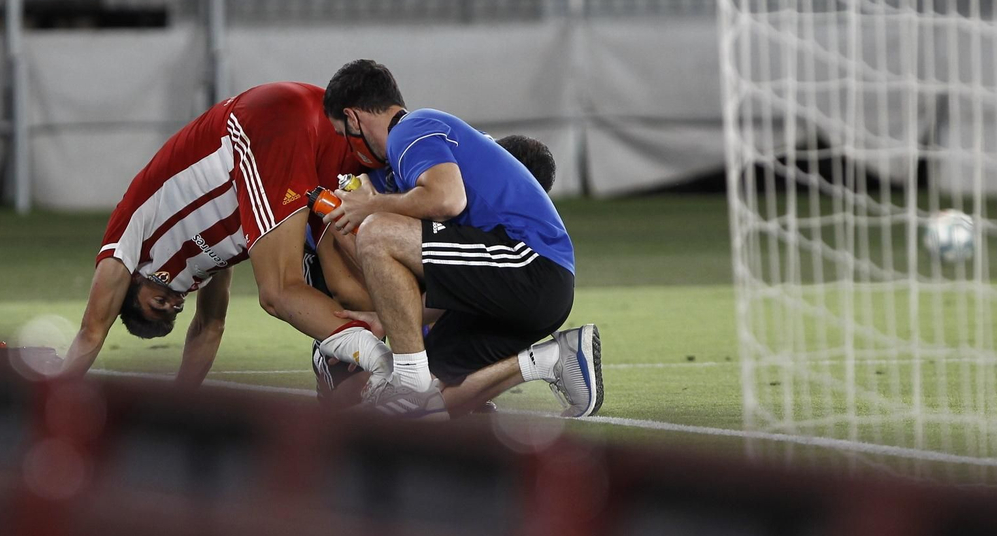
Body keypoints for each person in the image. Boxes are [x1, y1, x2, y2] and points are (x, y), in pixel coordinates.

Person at [61, 81, 395, 390]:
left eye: (159, 302)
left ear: (131, 283)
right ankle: (428, 356)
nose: (175, 301)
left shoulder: (128, 237)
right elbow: (210, 326)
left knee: (278, 290)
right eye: (174, 309)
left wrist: (48, 400)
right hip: (316, 125)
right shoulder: (202, 268)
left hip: (260, 124)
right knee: (350, 290)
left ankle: (389, 368)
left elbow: (92, 332)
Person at [318, 59, 602, 419]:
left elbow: (448, 200)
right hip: (524, 287)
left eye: (343, 132)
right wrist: (385, 315)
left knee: (376, 230)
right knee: (425, 403)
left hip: (531, 264)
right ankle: (549, 361)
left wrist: (370, 205)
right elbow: (460, 273)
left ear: (354, 118)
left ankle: (408, 380)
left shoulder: (411, 129)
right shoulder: (414, 154)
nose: (348, 144)